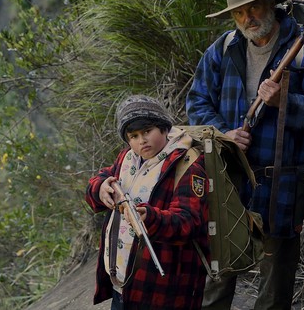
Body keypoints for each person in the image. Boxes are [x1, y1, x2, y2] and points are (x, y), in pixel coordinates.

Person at [186, 0, 304, 309]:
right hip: (231, 183)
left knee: (275, 290)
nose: (248, 19)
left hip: (283, 185)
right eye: (239, 13)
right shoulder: (223, 49)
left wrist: (285, 100)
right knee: (216, 280)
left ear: (271, 5)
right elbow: (197, 102)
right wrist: (223, 134)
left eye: (254, 7)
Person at [85, 94, 210, 310]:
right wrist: (101, 189)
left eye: (147, 131)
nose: (141, 140)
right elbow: (100, 179)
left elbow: (189, 222)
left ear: (163, 128)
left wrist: (150, 218)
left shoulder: (187, 165)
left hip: (164, 290)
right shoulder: (127, 158)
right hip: (123, 283)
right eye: (133, 136)